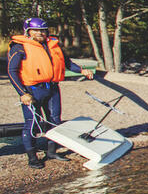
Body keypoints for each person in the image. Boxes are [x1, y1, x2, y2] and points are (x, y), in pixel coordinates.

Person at [7, 17, 94, 169]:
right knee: (32, 124)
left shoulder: (52, 44)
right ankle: (32, 158)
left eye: (43, 30)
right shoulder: (19, 47)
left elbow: (67, 63)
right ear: (28, 31)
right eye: (36, 30)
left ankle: (52, 151)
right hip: (32, 90)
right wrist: (22, 93)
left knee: (54, 120)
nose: (40, 33)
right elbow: (11, 71)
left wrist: (81, 70)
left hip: (52, 88)